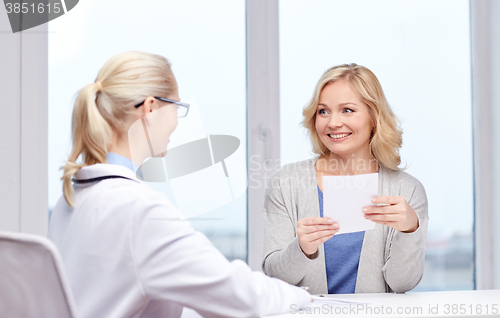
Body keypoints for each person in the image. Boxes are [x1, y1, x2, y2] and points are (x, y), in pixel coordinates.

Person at [48, 51, 311, 318]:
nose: (176, 121)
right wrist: (300, 296)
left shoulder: (70, 199)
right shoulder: (139, 209)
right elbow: (239, 296)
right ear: (151, 108)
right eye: (176, 107)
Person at [262, 63, 428, 295]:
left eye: (347, 110)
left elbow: (402, 284)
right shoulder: (286, 183)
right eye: (323, 111)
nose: (333, 123)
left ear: (374, 118)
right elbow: (275, 276)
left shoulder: (407, 190)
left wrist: (410, 229)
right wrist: (302, 249)